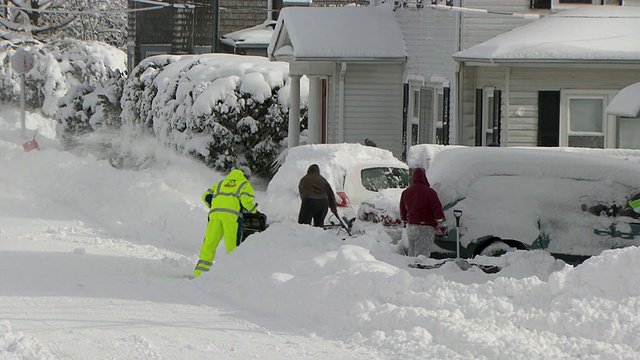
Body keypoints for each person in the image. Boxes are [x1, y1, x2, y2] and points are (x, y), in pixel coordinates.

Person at [194, 166, 262, 278]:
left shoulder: (221, 183)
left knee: (209, 244)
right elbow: (246, 202)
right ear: (247, 176)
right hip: (232, 218)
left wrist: (216, 206)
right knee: (233, 246)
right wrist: (255, 213)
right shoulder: (244, 184)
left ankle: (199, 273)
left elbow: (205, 196)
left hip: (215, 216)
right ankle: (235, 275)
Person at [399, 167, 445, 258]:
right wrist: (441, 220)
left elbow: (403, 210)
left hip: (411, 226)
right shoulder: (430, 192)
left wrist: (405, 220)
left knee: (412, 252)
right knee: (422, 255)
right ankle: (419, 271)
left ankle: (410, 268)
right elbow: (437, 208)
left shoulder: (406, 192)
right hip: (425, 227)